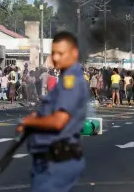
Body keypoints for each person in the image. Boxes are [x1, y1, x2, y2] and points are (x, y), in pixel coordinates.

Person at [18, 31, 87, 192]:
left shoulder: (71, 82)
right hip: (52, 160)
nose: (55, 58)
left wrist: (29, 122)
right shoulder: (65, 79)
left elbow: (59, 121)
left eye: (61, 53)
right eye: (53, 53)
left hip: (57, 162)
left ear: (74, 53)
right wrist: (39, 116)